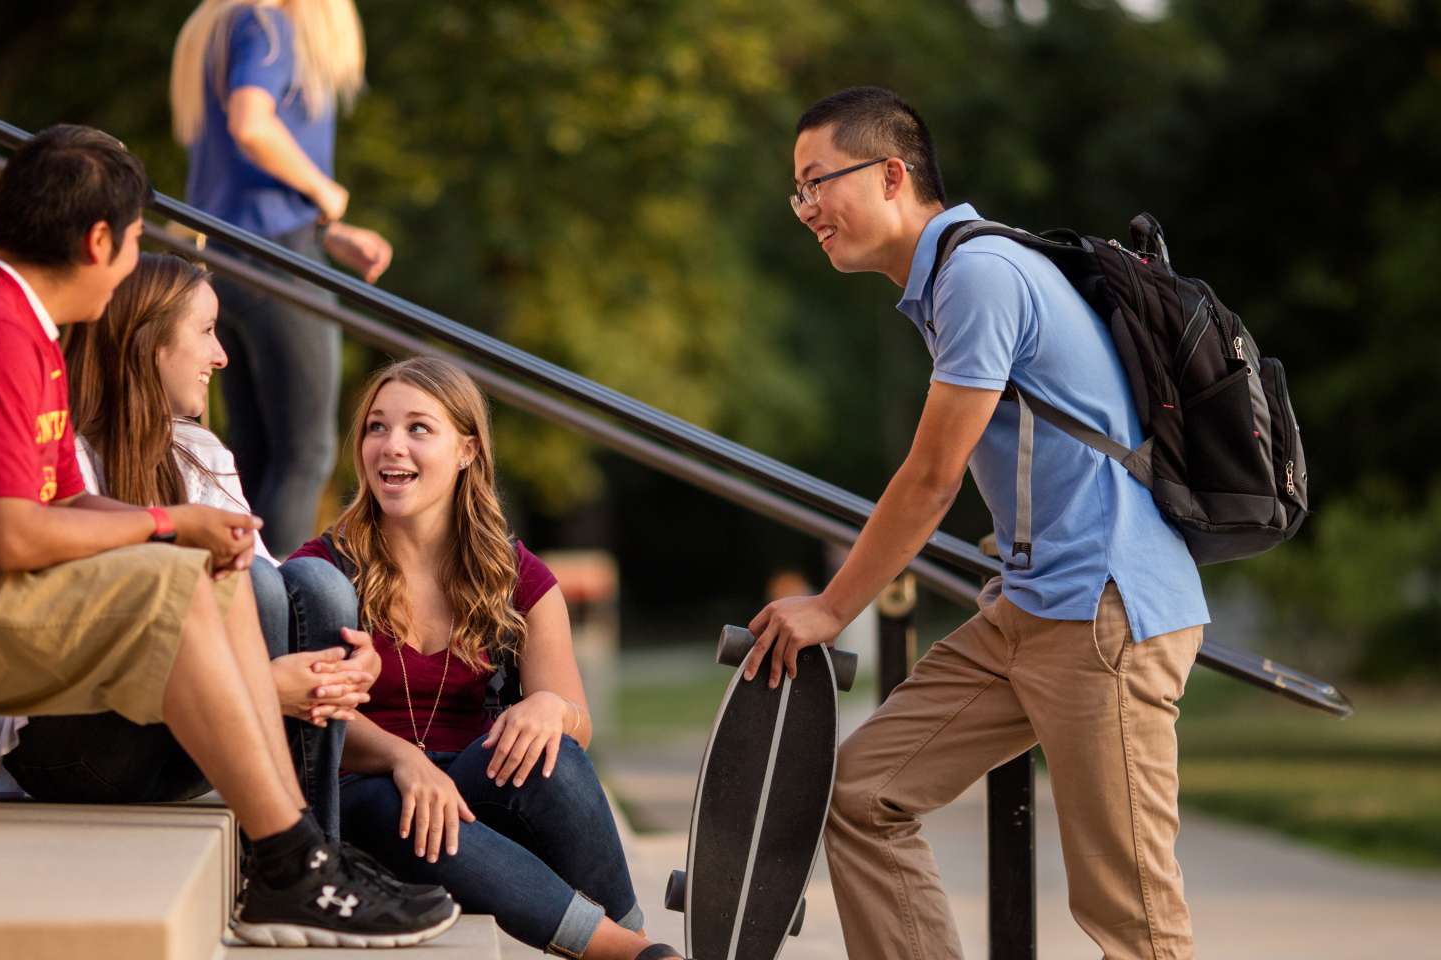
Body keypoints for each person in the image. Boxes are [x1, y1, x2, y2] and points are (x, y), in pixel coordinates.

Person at [0, 124, 456, 948]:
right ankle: (291, 864)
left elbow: (63, 503)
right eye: (133, 240)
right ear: (99, 239)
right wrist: (170, 523)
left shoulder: (27, 331)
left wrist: (193, 533)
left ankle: (300, 855)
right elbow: (17, 539)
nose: (134, 260)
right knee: (172, 567)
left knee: (204, 567)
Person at [743, 88, 1210, 960]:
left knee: (1132, 914)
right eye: (796, 191)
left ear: (891, 174)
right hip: (1032, 609)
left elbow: (930, 480)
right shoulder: (954, 279)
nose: (806, 208)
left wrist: (832, 609)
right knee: (864, 793)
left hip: (1105, 614)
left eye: (817, 183)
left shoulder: (978, 275)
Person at [283, 357, 683, 960]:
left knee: (557, 759)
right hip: (362, 802)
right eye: (376, 427)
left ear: (467, 450)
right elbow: (310, 710)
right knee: (405, 798)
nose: (392, 446)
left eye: (419, 428)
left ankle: (637, 937)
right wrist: (402, 760)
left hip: (471, 802)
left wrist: (551, 708)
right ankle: (636, 956)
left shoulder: (520, 578)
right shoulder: (321, 570)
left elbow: (578, 720)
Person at [0, 252, 378, 844]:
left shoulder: (199, 453)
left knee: (320, 588)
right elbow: (73, 647)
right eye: (206, 331)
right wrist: (263, 687)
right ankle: (289, 853)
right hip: (73, 744)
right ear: (150, 342)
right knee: (253, 585)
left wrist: (346, 663)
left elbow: (276, 597)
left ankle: (314, 846)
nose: (221, 355)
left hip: (177, 743)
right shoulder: (61, 453)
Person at [172, 0, 394, 553]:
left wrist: (328, 231)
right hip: (279, 263)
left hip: (225, 262)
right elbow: (251, 123)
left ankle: (247, 607)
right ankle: (281, 615)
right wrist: (324, 191)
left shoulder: (221, 28)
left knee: (255, 455)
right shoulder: (270, 24)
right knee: (305, 455)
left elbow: (237, 183)